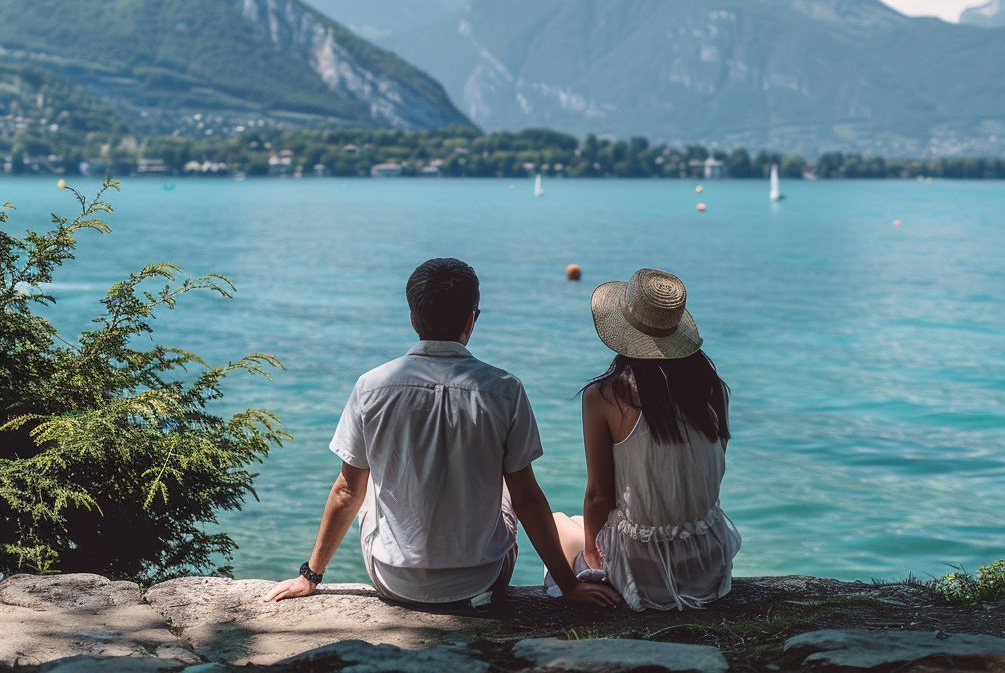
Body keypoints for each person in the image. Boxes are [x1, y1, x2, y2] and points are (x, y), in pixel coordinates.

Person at [264, 257, 619, 609]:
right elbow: (527, 499)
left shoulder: (370, 387)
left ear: (412, 316)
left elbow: (345, 491)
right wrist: (569, 585)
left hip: (393, 580)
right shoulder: (505, 389)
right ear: (471, 319)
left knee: (365, 479)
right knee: (510, 489)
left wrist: (309, 575)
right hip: (483, 582)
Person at [551, 267, 740, 611]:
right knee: (578, 526)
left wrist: (594, 552)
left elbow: (599, 495)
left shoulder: (605, 395)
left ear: (624, 330)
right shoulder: (712, 388)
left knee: (559, 524)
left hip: (641, 571)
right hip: (706, 560)